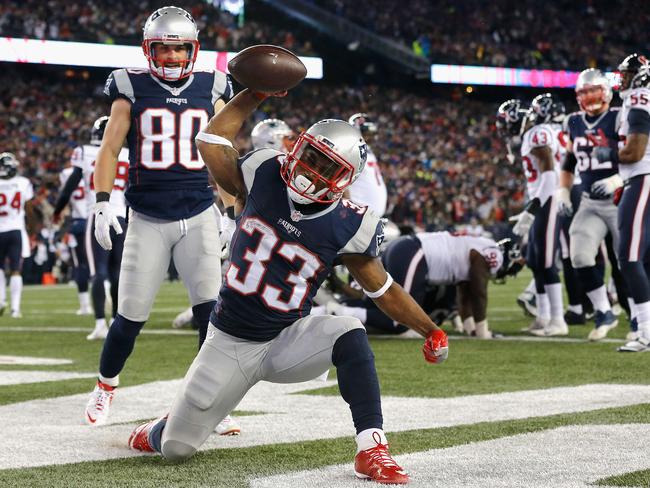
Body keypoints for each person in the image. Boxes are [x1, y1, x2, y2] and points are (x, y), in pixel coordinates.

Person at [127, 88, 449, 485]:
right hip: (227, 341)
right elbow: (210, 141)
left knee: (349, 332)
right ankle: (161, 427)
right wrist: (254, 93)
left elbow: (383, 289)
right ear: (299, 147)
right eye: (311, 155)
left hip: (286, 340)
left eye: (326, 167)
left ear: (343, 180)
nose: (311, 170)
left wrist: (430, 329)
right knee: (176, 448)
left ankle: (372, 448)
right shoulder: (264, 171)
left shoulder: (351, 223)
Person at [83, 6, 235, 430]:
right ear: (148, 50)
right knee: (130, 314)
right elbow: (111, 148)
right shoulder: (129, 85)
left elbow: (221, 155)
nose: (171, 59)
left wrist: (231, 212)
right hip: (148, 215)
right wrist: (101, 201)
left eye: (180, 50)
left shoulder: (213, 86)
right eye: (163, 51)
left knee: (211, 312)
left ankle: (207, 402)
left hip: (199, 211)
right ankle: (105, 385)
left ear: (194, 49)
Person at [326, 232, 520, 339]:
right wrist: (483, 332)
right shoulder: (492, 253)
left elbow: (465, 293)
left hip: (410, 250)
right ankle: (338, 310)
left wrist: (472, 328)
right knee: (399, 321)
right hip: (415, 253)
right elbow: (478, 292)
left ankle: (331, 310)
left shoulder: (482, 245)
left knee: (377, 304)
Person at [556, 69, 626, 340]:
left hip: (622, 198)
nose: (589, 97)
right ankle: (603, 311)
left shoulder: (619, 117)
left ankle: (640, 320)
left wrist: (617, 179)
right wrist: (563, 190)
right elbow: (569, 162)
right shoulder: (573, 122)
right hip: (590, 201)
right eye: (583, 92)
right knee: (579, 255)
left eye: (593, 90)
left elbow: (639, 154)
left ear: (606, 91)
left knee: (630, 261)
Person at [590, 54, 650, 352]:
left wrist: (609, 154)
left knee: (627, 256)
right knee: (644, 259)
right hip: (639, 179)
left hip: (643, 178)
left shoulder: (640, 97)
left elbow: (636, 151)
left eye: (626, 75)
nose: (621, 80)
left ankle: (645, 331)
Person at [54, 116, 129, 339]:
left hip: (97, 214)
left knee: (99, 271)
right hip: (121, 217)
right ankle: (116, 319)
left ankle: (100, 324)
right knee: (118, 271)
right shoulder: (126, 153)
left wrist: (58, 210)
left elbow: (69, 187)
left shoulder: (85, 152)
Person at [505, 96, 568, 336]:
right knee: (535, 259)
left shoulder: (537, 133)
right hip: (543, 198)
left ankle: (558, 320)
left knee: (546, 261)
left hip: (548, 198)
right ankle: (543, 317)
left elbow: (550, 174)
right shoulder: (539, 133)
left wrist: (533, 208)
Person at [0, 152, 33, 318]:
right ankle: (15, 309)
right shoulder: (23, 182)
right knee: (15, 270)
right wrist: (32, 229)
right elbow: (29, 209)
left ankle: (0, 300)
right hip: (15, 230)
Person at [56, 159, 92, 316]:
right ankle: (105, 295)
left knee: (81, 265)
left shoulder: (66, 174)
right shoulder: (100, 165)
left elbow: (65, 195)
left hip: (79, 222)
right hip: (99, 219)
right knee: (102, 263)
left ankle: (85, 305)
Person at [345, 113, 388, 216]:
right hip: (357, 213)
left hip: (367, 215)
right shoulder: (353, 150)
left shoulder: (368, 152)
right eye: (367, 134)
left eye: (371, 135)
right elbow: (342, 183)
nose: (370, 138)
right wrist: (346, 209)